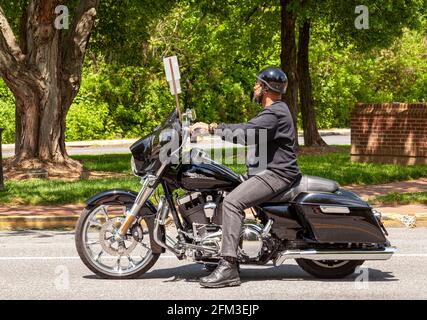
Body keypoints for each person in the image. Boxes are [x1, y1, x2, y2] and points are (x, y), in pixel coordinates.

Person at [190, 67, 301, 288]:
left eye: (258, 84)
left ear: (267, 89)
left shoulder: (275, 113)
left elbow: (246, 133)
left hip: (277, 174)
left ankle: (228, 266)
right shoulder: (275, 111)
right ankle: (219, 252)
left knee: (232, 203)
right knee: (224, 192)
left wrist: (211, 128)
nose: (254, 87)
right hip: (268, 171)